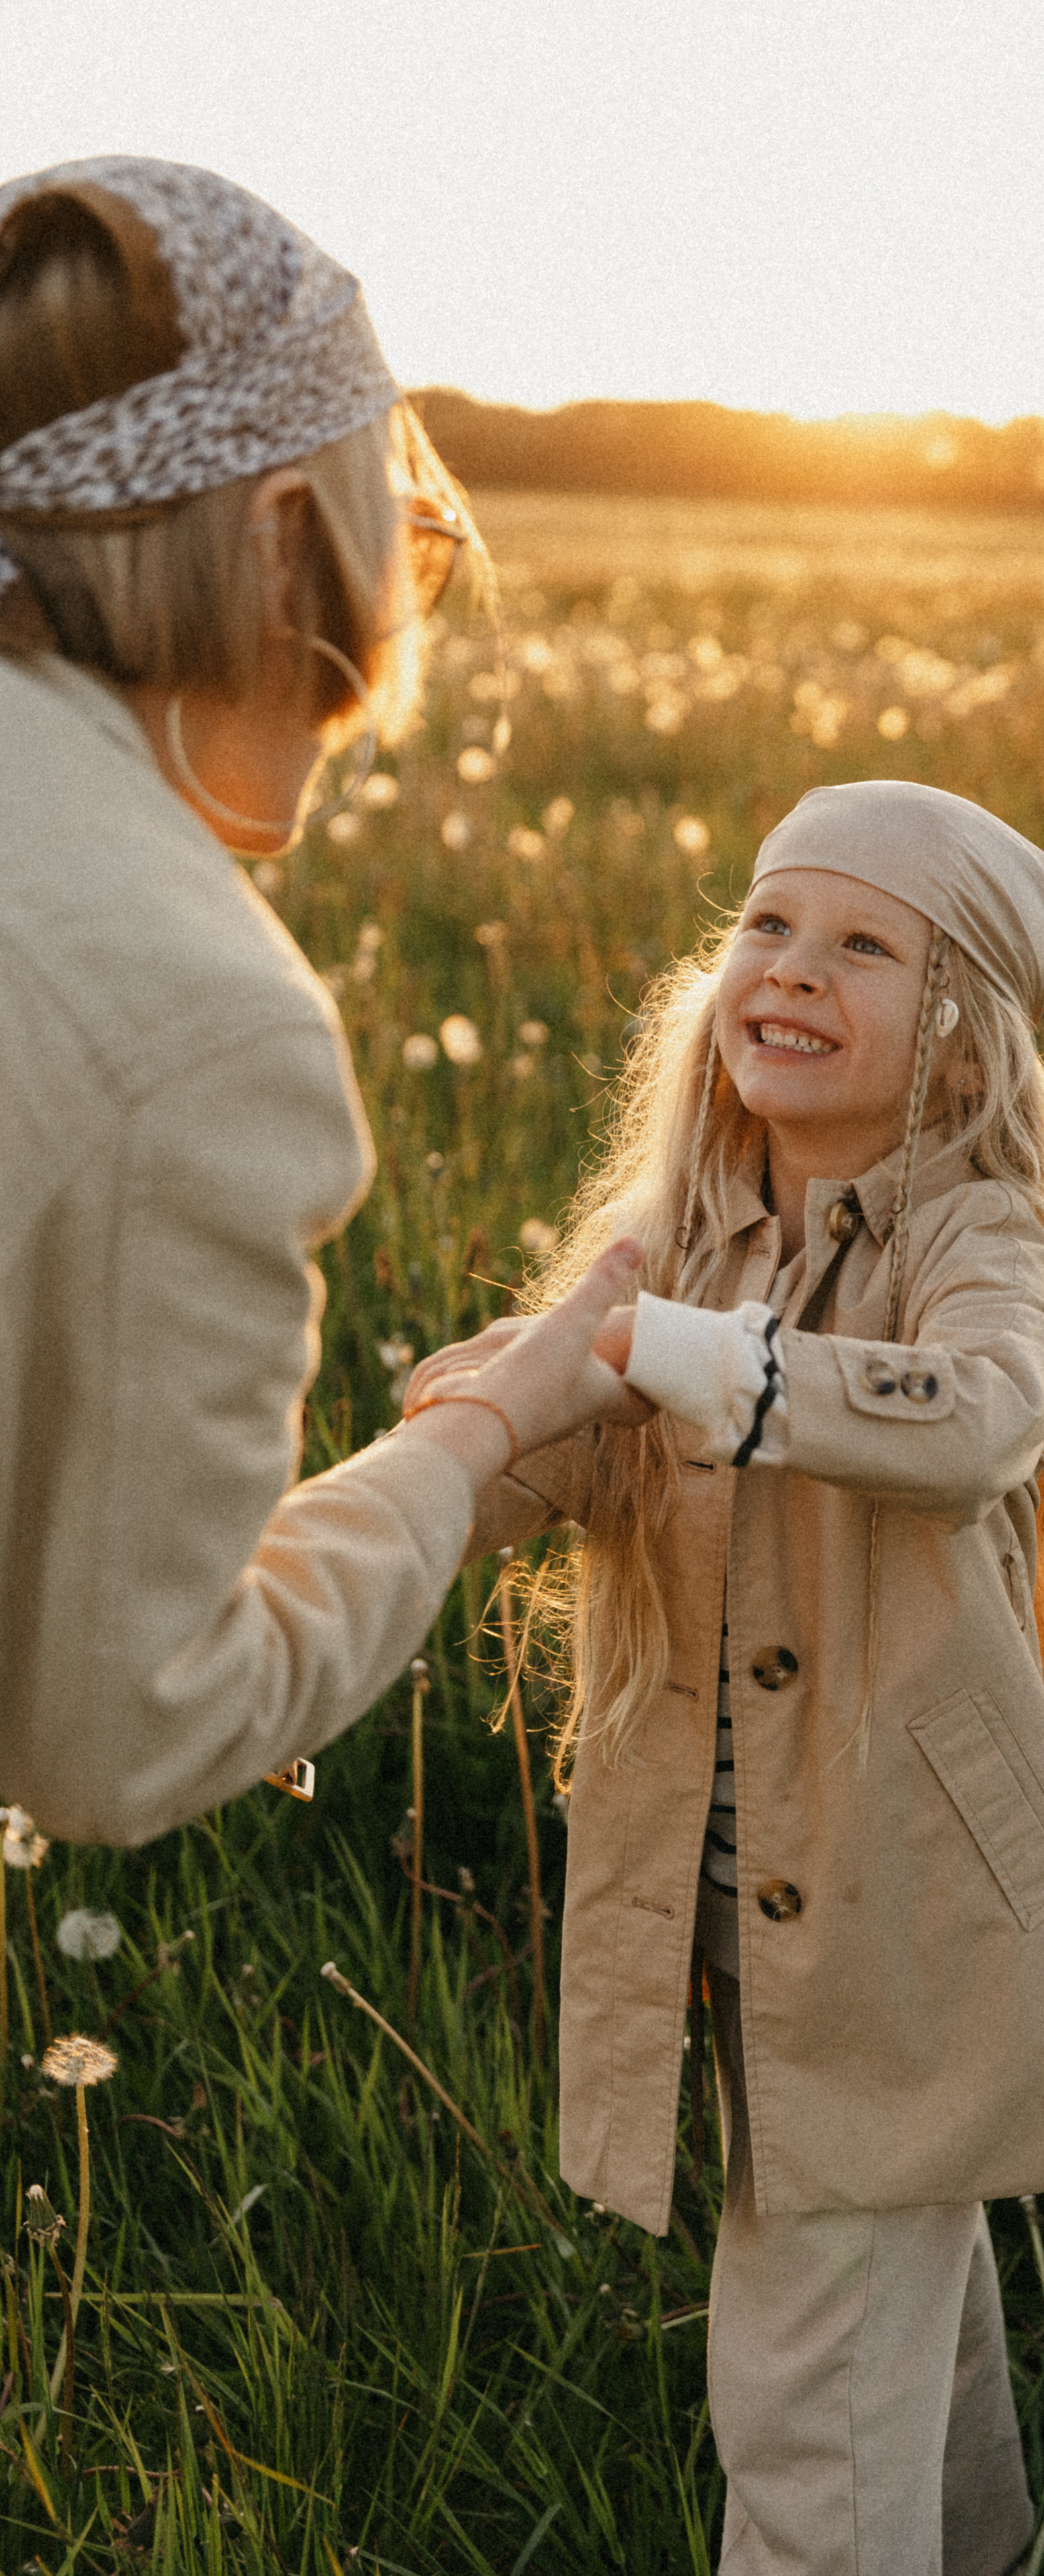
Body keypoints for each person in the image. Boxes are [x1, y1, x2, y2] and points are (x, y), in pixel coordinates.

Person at [418, 780, 1044, 2574]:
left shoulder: (972, 1237)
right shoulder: (684, 1237)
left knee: (808, 2388)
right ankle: (977, 2545)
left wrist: (690, 1358)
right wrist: (456, 1442)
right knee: (889, 2252)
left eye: (862, 946)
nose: (790, 969)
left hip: (891, 1890)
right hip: (734, 1880)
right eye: (766, 925)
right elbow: (567, 1451)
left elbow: (983, 1415)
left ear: (962, 1037)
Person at [0, 156, 645, 1847]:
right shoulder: (196, 1011)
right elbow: (123, 1733)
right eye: (398, 552)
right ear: (287, 541)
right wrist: (474, 1441)